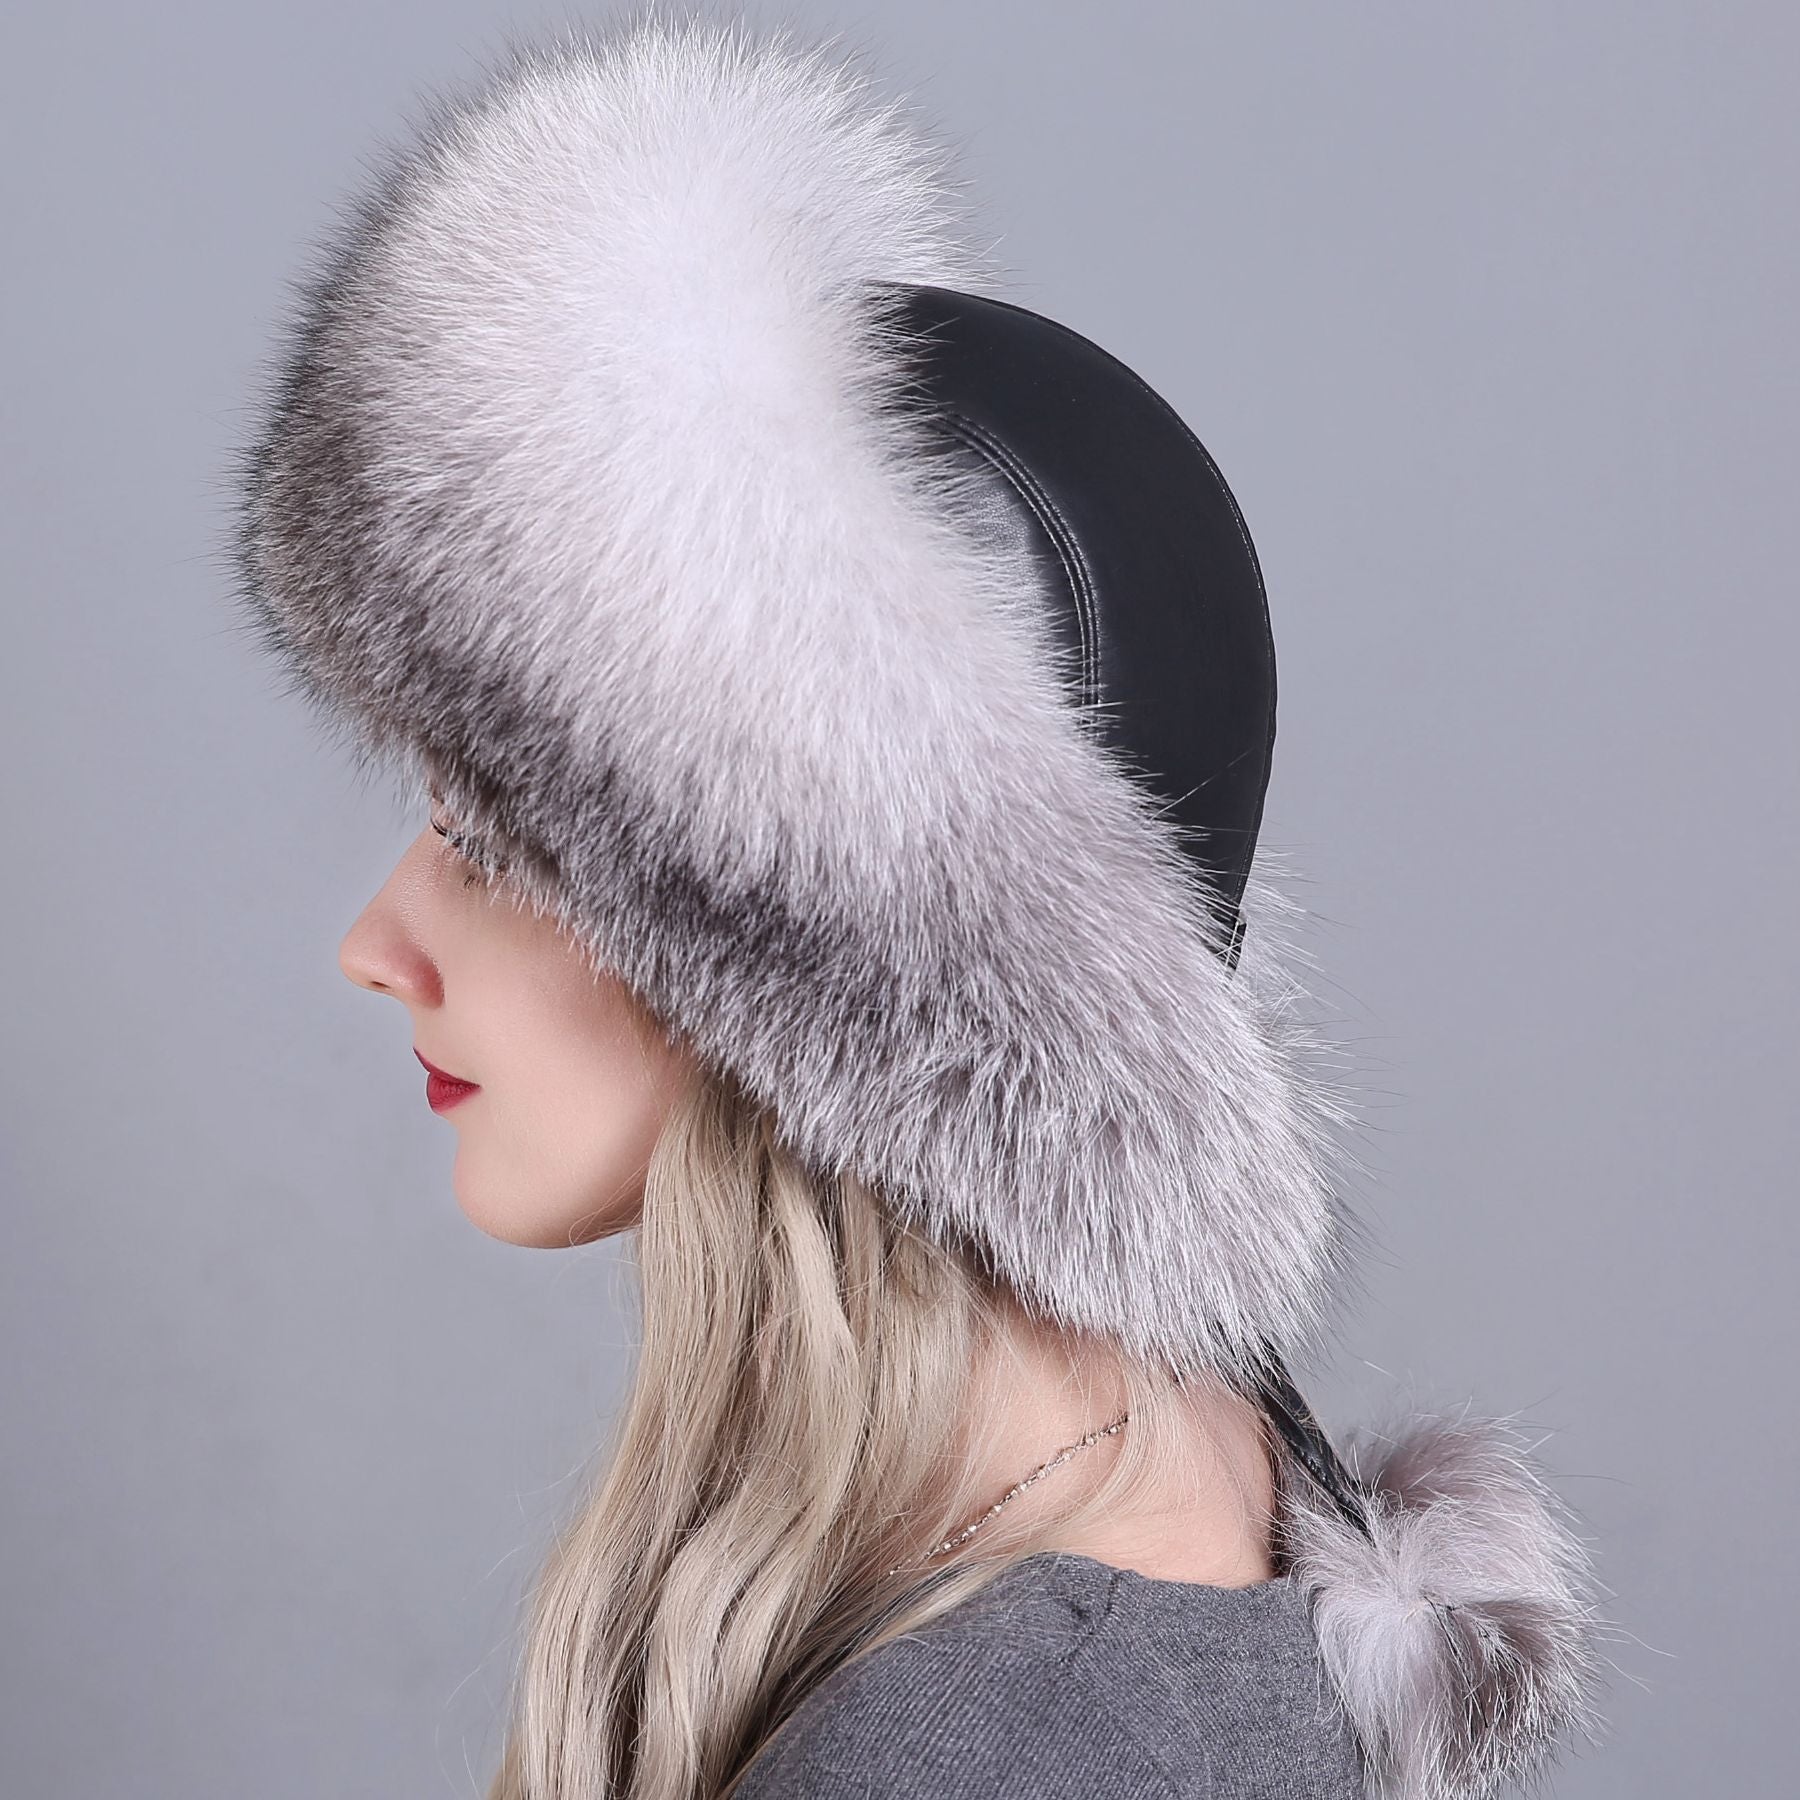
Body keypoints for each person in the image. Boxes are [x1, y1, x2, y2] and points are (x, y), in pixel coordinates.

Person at [231, 12, 1606, 1798]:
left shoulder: (978, 1743)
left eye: (489, 841)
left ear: (799, 939)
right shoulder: (1189, 1497)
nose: (377, 947)